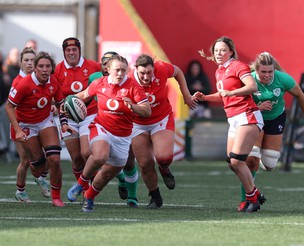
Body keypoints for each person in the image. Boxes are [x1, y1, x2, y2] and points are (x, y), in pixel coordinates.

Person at [67, 55, 151, 212]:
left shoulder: (133, 86)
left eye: (123, 71)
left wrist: (132, 106)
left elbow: (147, 110)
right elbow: (84, 95)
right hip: (101, 127)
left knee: (107, 174)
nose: (120, 74)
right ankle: (81, 184)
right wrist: (66, 104)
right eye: (117, 70)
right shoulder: (99, 82)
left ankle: (89, 196)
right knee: (100, 156)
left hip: (123, 136)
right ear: (108, 70)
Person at [194, 36, 266, 212]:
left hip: (247, 116)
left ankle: (252, 198)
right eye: (216, 50)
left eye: (223, 50)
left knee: (237, 160)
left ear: (231, 52)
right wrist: (205, 97)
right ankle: (255, 194)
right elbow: (223, 94)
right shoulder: (220, 70)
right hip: (233, 119)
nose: (219, 53)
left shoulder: (238, 66)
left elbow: (252, 87)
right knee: (232, 162)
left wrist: (230, 91)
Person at [237, 52, 304, 211]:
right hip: (254, 117)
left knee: (270, 163)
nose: (267, 75)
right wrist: (256, 108)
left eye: (270, 72)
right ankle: (246, 199)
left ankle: (262, 157)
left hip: (276, 118)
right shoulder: (248, 79)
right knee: (251, 159)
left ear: (274, 70)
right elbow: (236, 103)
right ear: (256, 70)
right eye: (263, 72)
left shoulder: (283, 79)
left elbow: (300, 95)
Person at [5, 51, 73, 207]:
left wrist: (63, 122)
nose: (44, 69)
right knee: (36, 167)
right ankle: (26, 185)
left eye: (48, 66)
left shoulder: (53, 81)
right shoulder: (23, 83)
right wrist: (18, 130)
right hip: (26, 125)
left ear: (51, 68)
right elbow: (8, 107)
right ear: (35, 68)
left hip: (45, 121)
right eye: (41, 66)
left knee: (55, 159)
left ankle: (56, 197)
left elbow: (60, 103)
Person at [130, 54, 197, 209]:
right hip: (137, 123)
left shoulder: (161, 68)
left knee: (164, 157)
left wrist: (186, 95)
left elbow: (178, 72)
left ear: (154, 68)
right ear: (136, 70)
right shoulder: (128, 81)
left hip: (161, 118)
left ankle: (164, 169)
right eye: (142, 73)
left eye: (149, 72)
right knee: (145, 163)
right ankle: (155, 197)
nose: (146, 77)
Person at [54, 37, 101, 184]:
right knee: (76, 159)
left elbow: (107, 82)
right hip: (67, 117)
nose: (71, 53)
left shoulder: (94, 66)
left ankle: (92, 184)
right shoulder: (57, 70)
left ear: (79, 50)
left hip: (90, 114)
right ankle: (85, 190)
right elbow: (53, 93)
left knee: (87, 153)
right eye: (68, 50)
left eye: (74, 49)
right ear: (64, 52)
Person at [10, 47, 51, 202]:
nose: (29, 63)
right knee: (25, 160)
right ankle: (20, 190)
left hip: (40, 123)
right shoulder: (18, 82)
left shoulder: (42, 78)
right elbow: (10, 107)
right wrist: (17, 129)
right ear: (20, 63)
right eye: (26, 60)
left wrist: (51, 104)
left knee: (49, 153)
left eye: (32, 60)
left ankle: (40, 177)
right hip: (21, 125)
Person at [88, 51, 129, 201]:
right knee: (94, 154)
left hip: (123, 126)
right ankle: (85, 187)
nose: (106, 67)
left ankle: (125, 182)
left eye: (109, 64)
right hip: (99, 120)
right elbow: (86, 98)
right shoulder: (95, 79)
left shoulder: (128, 82)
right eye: (104, 64)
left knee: (126, 161)